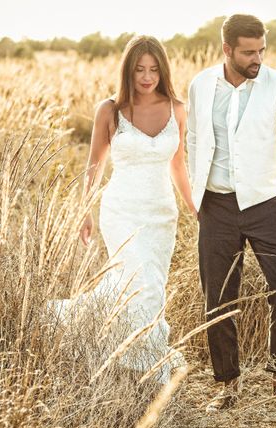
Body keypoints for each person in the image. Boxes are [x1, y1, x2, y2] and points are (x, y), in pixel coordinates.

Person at [186, 14, 276, 411]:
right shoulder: (200, 86)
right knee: (218, 298)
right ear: (226, 49)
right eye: (248, 52)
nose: (257, 58)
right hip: (216, 205)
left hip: (266, 203)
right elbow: (194, 139)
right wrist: (197, 194)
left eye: (261, 50)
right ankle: (227, 384)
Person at [52, 35, 195, 384]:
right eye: (139, 70)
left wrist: (197, 208)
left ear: (163, 71)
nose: (147, 77)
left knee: (149, 287)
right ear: (127, 72)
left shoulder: (177, 108)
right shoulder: (110, 110)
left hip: (161, 214)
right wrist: (83, 211)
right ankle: (146, 371)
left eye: (154, 69)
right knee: (139, 282)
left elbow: (178, 166)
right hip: (120, 210)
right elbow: (93, 166)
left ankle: (104, 340)